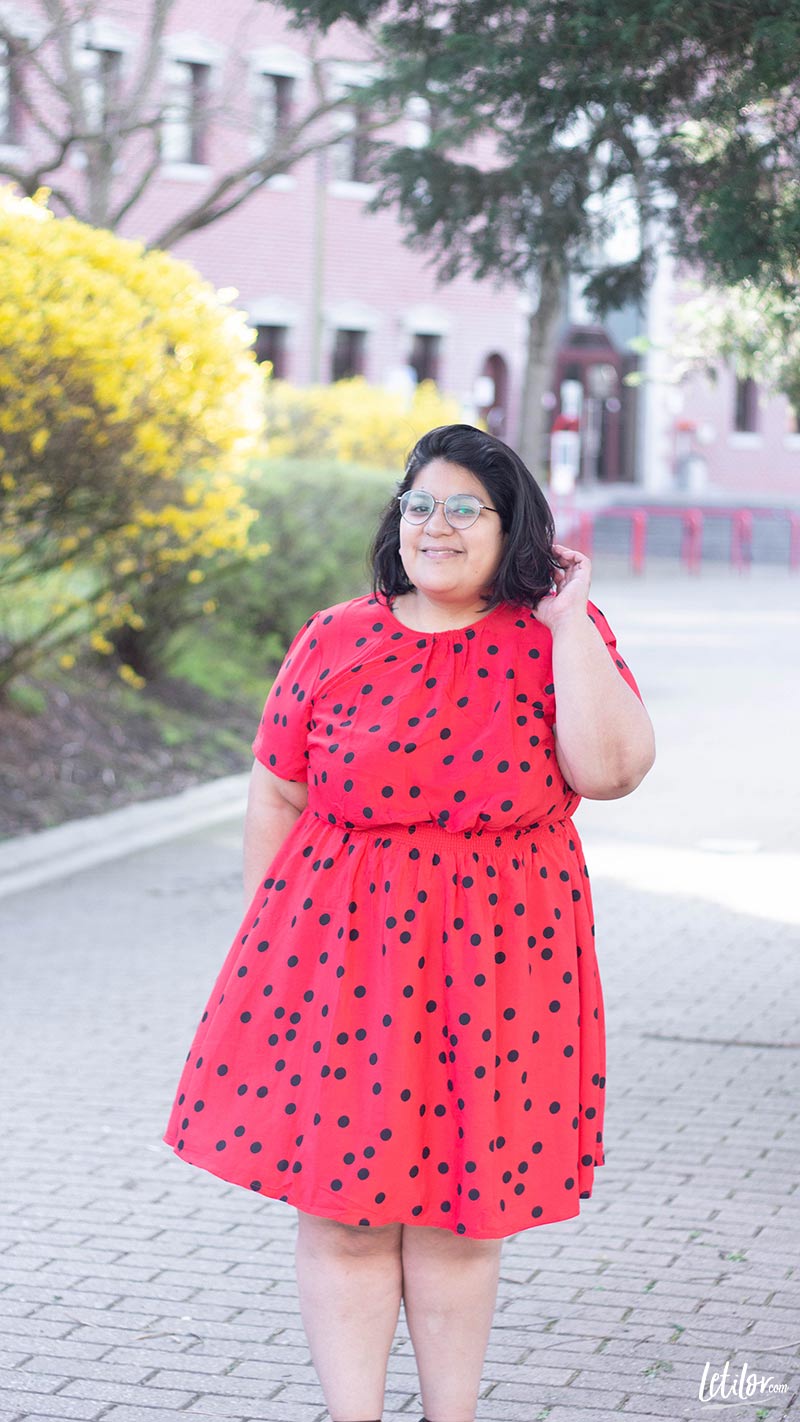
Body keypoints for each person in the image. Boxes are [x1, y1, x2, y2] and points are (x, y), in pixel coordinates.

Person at [163, 423, 655, 1422]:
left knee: (460, 1221)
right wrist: (272, 946)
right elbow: (276, 790)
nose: (436, 525)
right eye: (419, 504)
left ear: (513, 528)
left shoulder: (555, 639)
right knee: (343, 1214)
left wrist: (567, 620)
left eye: (465, 507)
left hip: (501, 968)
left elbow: (609, 773)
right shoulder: (335, 635)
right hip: (342, 962)